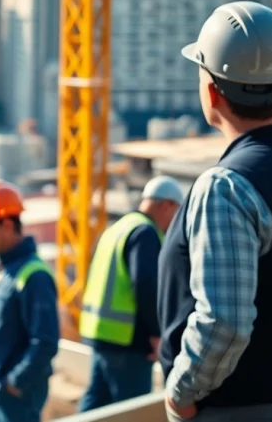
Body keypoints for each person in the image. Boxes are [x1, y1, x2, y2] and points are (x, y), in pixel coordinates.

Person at [158, 1, 272, 421]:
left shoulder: (226, 187)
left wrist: (180, 393)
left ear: (212, 92)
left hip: (240, 409)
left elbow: (224, 323)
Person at [77, 175, 185, 411]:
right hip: (128, 340)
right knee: (131, 410)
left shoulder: (118, 227)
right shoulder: (144, 232)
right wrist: (156, 333)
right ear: (166, 205)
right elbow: (146, 285)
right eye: (177, 212)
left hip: (100, 333)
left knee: (96, 407)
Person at [0, 179, 60, 422]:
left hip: (15, 401)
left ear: (7, 225)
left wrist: (15, 383)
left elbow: (45, 342)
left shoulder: (34, 276)